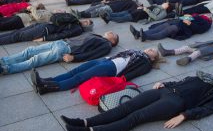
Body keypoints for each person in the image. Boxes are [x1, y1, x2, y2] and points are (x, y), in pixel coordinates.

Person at [61, 71, 213, 131]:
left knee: (136, 117)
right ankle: (84, 122)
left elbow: (207, 109)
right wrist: (165, 83)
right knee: (127, 107)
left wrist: (184, 115)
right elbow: (181, 82)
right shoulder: (203, 75)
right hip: (164, 91)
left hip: (176, 103)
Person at [31, 48, 159, 94]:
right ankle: (45, 81)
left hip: (111, 68)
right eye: (150, 48)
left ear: (153, 58)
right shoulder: (137, 51)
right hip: (105, 60)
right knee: (74, 71)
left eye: (153, 51)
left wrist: (120, 79)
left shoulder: (146, 63)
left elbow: (134, 73)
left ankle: (47, 87)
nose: (150, 49)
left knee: (80, 77)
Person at [0, 32, 119, 75]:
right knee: (29, 51)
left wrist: (74, 57)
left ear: (113, 40)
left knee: (35, 59)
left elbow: (92, 55)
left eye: (112, 33)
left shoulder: (106, 45)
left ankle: (6, 69)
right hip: (61, 42)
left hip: (66, 50)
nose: (110, 32)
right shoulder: (98, 36)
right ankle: (3, 61)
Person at [0, 19, 93, 45]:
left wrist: (45, 38)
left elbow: (62, 35)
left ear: (86, 27)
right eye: (86, 20)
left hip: (45, 30)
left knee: (17, 36)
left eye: (86, 23)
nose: (85, 22)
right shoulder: (75, 21)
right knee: (16, 32)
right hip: (43, 25)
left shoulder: (77, 29)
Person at [130, 14, 212, 41]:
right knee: (160, 27)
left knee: (166, 31)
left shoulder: (207, 23)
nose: (209, 14)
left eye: (210, 15)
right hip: (178, 22)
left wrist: (190, 24)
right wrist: (185, 16)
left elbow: (200, 30)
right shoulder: (199, 16)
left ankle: (146, 36)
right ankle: (139, 34)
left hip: (184, 28)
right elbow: (185, 18)